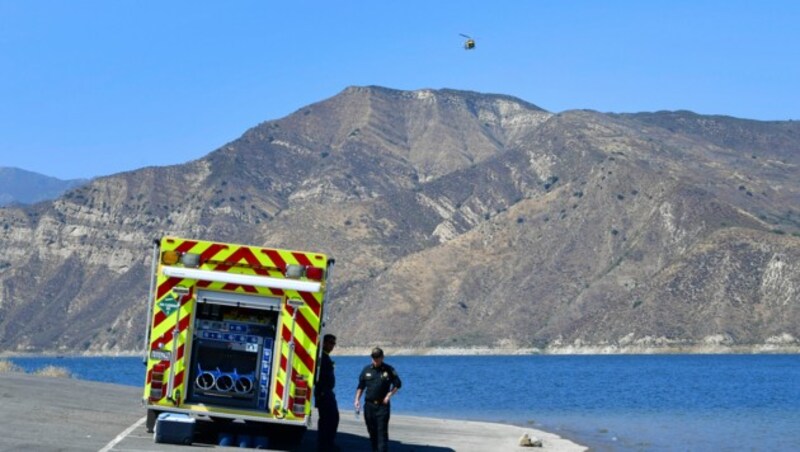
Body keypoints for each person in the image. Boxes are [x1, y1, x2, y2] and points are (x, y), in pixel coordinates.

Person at [354, 347, 402, 452]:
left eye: (377, 357)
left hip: (382, 407)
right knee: (372, 432)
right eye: (373, 357)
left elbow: (398, 384)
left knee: (381, 433)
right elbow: (361, 386)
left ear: (382, 357)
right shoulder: (366, 370)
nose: (375, 360)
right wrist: (357, 400)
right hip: (369, 406)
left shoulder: (389, 370)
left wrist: (389, 395)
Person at [315, 334, 339, 452]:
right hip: (324, 392)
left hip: (327, 391)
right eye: (330, 342)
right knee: (328, 419)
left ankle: (327, 443)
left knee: (331, 418)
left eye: (333, 343)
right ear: (323, 343)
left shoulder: (325, 357)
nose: (332, 346)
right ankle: (325, 445)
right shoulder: (321, 357)